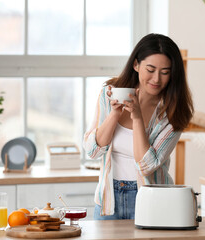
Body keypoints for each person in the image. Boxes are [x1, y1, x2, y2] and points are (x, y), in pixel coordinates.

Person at [83, 33, 194, 220]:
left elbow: (146, 166)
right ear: (136, 65)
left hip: (153, 201)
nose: (156, 79)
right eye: (150, 69)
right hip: (109, 199)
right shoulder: (108, 94)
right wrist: (114, 114)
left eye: (165, 72)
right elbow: (92, 151)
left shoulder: (174, 112)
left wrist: (137, 118)